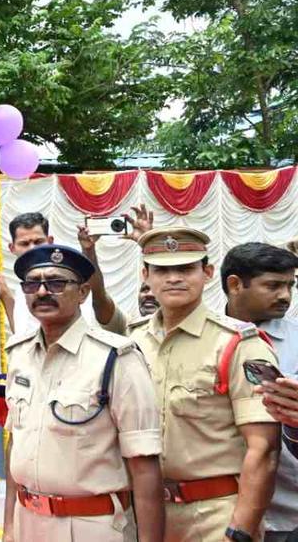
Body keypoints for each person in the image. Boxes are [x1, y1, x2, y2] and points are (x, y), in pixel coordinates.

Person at [2, 244, 164, 542]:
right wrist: (9, 528)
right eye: (32, 284)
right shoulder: (19, 353)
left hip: (92, 525)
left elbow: (144, 465)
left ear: (83, 292)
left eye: (56, 283)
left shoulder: (116, 358)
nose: (41, 292)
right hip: (28, 521)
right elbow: (17, 444)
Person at [128, 228, 280, 542]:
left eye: (185, 268)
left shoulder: (239, 343)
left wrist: (239, 531)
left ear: (207, 272)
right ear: (145, 274)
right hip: (145, 512)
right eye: (162, 270)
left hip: (215, 515)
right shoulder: (133, 341)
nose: (173, 278)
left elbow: (263, 449)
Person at [221, 242, 298, 541]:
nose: (285, 296)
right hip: (222, 511)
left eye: (290, 286)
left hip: (287, 514)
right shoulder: (208, 339)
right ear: (235, 284)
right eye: (273, 286)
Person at [0, 209, 149, 336]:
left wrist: (88, 250)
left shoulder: (67, 278)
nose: (32, 249)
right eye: (24, 244)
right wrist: (5, 295)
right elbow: (22, 334)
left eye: (38, 242)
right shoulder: (22, 288)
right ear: (12, 248)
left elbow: (98, 295)